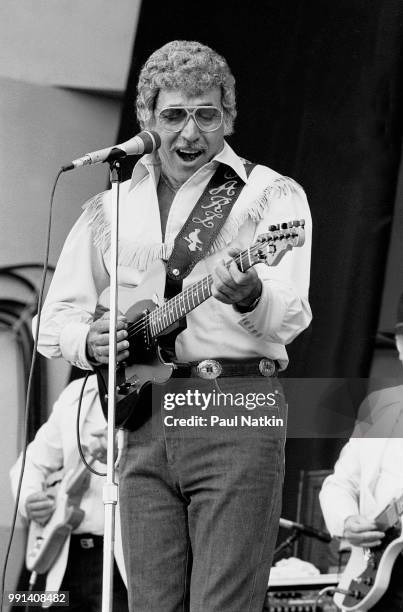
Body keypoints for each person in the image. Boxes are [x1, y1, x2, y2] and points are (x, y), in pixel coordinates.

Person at [36, 40, 312, 611]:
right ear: (145, 117)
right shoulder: (110, 207)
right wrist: (85, 339)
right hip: (142, 412)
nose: (191, 133)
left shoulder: (270, 194)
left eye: (206, 115)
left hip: (234, 400)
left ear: (228, 116)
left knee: (223, 604)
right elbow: (52, 319)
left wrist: (251, 292)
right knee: (150, 603)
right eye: (174, 116)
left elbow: (293, 314)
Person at [10, 375, 128, 612]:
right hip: (65, 552)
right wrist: (29, 499)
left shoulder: (156, 391)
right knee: (29, 603)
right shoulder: (77, 391)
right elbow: (31, 462)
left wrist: (124, 453)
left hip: (120, 557)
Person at [319, 295, 403, 612]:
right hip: (370, 572)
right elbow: (340, 483)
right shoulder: (380, 406)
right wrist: (347, 521)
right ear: (398, 344)